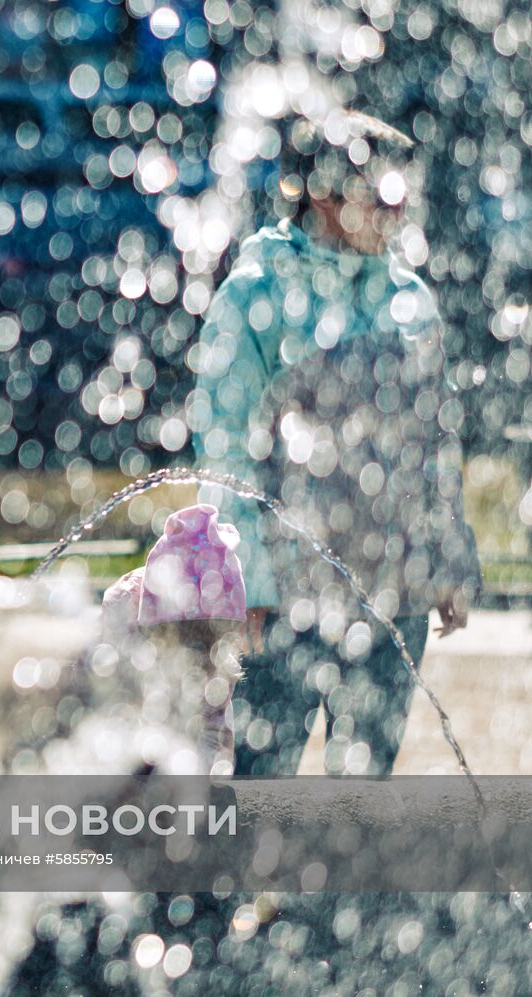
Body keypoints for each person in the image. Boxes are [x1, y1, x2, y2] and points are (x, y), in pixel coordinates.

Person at [192, 108, 482, 776]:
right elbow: (227, 451)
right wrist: (248, 584)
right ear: (322, 191)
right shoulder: (254, 296)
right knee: (257, 780)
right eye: (384, 193)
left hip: (392, 595)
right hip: (284, 596)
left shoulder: (412, 303)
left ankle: (330, 887)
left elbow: (436, 444)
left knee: (361, 794)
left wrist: (449, 559)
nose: (401, 208)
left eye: (406, 194)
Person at [100, 504, 246, 775]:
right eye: (192, 640)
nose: (202, 658)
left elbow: (218, 742)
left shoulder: (217, 662)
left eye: (211, 642)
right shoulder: (133, 628)